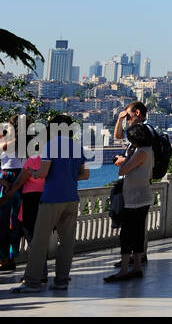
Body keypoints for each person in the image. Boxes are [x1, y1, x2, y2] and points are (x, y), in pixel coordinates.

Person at [11, 116, 88, 294]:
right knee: (67, 242)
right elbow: (84, 175)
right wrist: (67, 177)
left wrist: (34, 173)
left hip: (52, 198)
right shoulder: (77, 147)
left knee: (39, 241)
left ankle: (32, 282)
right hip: (71, 198)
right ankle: (61, 281)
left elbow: (43, 172)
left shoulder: (51, 145)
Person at [105, 123, 154, 283]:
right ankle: (137, 266)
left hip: (134, 198)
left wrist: (122, 161)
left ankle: (125, 269)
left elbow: (122, 171)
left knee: (127, 234)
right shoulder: (150, 150)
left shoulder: (140, 152)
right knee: (138, 232)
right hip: (144, 196)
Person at [113, 102, 152, 264]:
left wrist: (125, 161)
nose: (126, 119)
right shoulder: (134, 134)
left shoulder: (146, 132)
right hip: (131, 185)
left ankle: (137, 256)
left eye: (128, 116)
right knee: (129, 225)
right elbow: (117, 136)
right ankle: (131, 257)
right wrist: (119, 120)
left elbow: (141, 157)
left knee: (135, 226)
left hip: (139, 185)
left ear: (137, 113)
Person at [0, 116, 25, 271]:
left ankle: (8, 258)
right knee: (6, 221)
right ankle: (6, 257)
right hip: (9, 178)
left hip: (16, 178)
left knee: (13, 221)